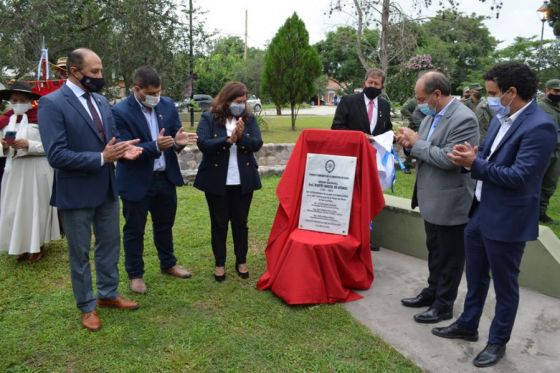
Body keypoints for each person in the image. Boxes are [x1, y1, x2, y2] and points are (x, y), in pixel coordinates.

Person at [433, 62, 556, 368]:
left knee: (505, 286)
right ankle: (467, 325)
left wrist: (475, 164)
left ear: (512, 92)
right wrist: (470, 156)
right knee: (475, 277)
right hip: (479, 213)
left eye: (492, 93)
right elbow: (486, 155)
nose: (489, 98)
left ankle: (497, 342)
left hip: (508, 220)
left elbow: (520, 176)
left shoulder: (540, 126)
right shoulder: (504, 118)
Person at [38, 48, 143, 332]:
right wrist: (101, 159)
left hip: (107, 187)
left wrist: (122, 151)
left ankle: (108, 294)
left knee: (109, 244)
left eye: (100, 71)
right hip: (75, 191)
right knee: (80, 253)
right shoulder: (52, 104)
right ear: (74, 71)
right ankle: (86, 305)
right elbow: (56, 155)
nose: (100, 77)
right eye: (94, 72)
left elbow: (108, 141)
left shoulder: (100, 100)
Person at [396, 71, 479, 324]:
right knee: (435, 251)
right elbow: (424, 150)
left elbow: (449, 159)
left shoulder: (464, 119)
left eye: (421, 98)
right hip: (431, 197)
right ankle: (432, 292)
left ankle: (443, 304)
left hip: (451, 201)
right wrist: (409, 145)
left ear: (437, 94)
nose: (418, 103)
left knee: (451, 257)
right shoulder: (428, 116)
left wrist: (417, 142)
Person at [113, 66, 198, 294]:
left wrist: (178, 142)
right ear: (137, 89)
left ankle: (168, 263)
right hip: (136, 180)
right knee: (134, 230)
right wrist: (154, 146)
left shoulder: (167, 105)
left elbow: (172, 139)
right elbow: (123, 148)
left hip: (164, 178)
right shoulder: (120, 111)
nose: (156, 96)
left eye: (159, 91)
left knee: (164, 225)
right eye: (151, 92)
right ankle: (136, 274)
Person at [194, 81, 262, 282]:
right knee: (219, 224)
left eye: (244, 101)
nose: (241, 105)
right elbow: (203, 143)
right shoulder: (209, 118)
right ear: (227, 100)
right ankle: (220, 264)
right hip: (217, 181)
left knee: (241, 223)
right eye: (238, 101)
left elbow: (256, 143)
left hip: (243, 181)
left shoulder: (248, 119)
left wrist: (241, 138)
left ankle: (241, 261)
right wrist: (227, 141)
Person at [0, 81, 60, 262]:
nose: (17, 102)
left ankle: (37, 245)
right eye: (14, 99)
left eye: (22, 99)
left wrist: (29, 145)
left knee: (36, 207)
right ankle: (21, 245)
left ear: (30, 101)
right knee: (14, 208)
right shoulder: (5, 121)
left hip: (37, 169)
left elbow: (52, 147)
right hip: (14, 169)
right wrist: (4, 146)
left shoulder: (42, 119)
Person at [331, 68, 393, 139]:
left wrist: (393, 136)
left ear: (382, 87)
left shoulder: (385, 105)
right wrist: (360, 137)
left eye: (376, 84)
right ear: (364, 83)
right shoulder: (348, 101)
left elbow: (387, 129)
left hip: (376, 149)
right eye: (370, 82)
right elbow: (336, 127)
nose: (372, 86)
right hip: (353, 148)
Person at [537, 79, 560, 224]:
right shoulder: (540, 106)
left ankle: (541, 213)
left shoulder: (558, 107)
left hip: (557, 151)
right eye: (555, 91)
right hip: (543, 150)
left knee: (550, 184)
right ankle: (529, 213)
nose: (558, 94)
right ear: (547, 90)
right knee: (536, 182)